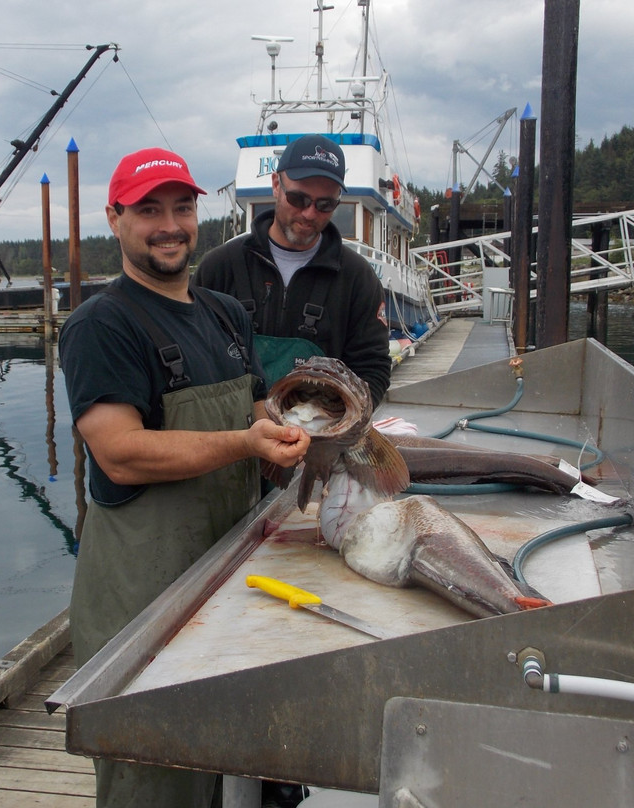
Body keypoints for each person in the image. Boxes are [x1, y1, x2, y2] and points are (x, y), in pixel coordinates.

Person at [58, 147, 310, 808]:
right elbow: (121, 453)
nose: (169, 225)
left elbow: (261, 419)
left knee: (230, 765)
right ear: (114, 219)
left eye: (182, 207)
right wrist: (246, 440)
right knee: (153, 773)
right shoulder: (100, 326)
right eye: (148, 210)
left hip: (229, 580)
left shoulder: (226, 314)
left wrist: (299, 437)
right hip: (141, 600)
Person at [193, 133, 391, 409]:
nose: (309, 214)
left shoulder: (358, 278)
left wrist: (338, 421)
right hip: (233, 436)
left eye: (325, 205)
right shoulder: (219, 268)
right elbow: (193, 355)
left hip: (319, 436)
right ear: (276, 185)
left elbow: (374, 367)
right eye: (298, 199)